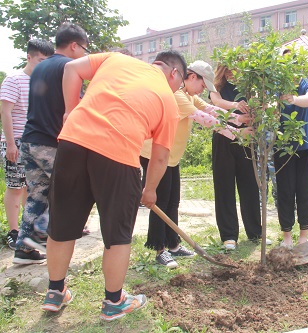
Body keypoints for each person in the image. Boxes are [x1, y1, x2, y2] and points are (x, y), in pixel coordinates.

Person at [42, 50, 186, 320]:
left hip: (73, 142)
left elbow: (71, 68)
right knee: (118, 234)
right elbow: (161, 156)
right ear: (173, 73)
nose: (175, 90)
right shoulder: (168, 99)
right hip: (118, 156)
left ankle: (55, 291)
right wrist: (150, 189)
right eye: (178, 85)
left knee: (62, 224)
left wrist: (71, 111)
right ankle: (114, 301)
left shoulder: (116, 59)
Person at [141, 60, 252, 267]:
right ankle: (159, 249)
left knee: (173, 201)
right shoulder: (177, 96)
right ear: (192, 77)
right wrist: (238, 133)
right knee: (161, 202)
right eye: (202, 85)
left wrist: (238, 119)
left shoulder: (189, 95)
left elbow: (211, 110)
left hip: (171, 156)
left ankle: (173, 244)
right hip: (154, 155)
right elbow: (204, 119)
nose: (202, 90)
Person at [13, 23, 89, 265]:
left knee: (37, 195)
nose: (85, 55)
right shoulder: (70, 67)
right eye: (85, 49)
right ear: (74, 46)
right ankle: (48, 237)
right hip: (51, 143)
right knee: (71, 191)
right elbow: (76, 107)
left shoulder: (40, 67)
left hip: (30, 140)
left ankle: (24, 250)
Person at [1, 39, 54, 250]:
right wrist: (11, 144)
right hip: (16, 140)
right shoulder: (14, 80)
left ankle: (31, 231)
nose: (42, 65)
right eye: (39, 60)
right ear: (29, 57)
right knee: (16, 187)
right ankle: (14, 231)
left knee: (34, 189)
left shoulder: (44, 83)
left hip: (37, 142)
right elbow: (5, 112)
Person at [209, 64, 268, 250]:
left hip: (247, 137)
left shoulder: (250, 88)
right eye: (228, 69)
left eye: (236, 68)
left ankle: (255, 232)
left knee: (250, 185)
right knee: (224, 186)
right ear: (222, 71)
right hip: (223, 137)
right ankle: (229, 236)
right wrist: (236, 106)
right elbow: (217, 103)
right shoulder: (215, 88)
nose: (232, 73)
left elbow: (262, 106)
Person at [275, 57, 308, 248]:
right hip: (282, 148)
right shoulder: (275, 86)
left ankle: (303, 237)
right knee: (285, 191)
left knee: (305, 191)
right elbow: (267, 104)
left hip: (307, 147)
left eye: (294, 64)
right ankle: (287, 237)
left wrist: (293, 99)